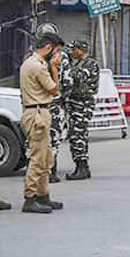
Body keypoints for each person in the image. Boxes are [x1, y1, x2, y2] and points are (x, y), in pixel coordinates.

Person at [19, 32, 65, 213]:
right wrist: (54, 68)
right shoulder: (37, 66)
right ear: (48, 48)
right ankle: (30, 198)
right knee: (38, 158)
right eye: (56, 51)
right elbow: (54, 90)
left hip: (39, 111)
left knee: (46, 157)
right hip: (37, 113)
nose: (57, 55)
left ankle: (43, 195)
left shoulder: (32, 62)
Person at [66, 41, 100, 181]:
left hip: (83, 104)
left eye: (74, 49)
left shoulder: (90, 64)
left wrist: (65, 67)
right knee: (75, 135)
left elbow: (77, 78)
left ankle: (82, 168)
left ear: (81, 50)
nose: (72, 52)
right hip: (76, 103)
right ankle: (81, 167)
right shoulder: (79, 63)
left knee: (78, 135)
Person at [46, 40, 73, 184]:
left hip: (37, 106)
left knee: (37, 140)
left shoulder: (32, 57)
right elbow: (68, 84)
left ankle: (39, 173)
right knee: (54, 138)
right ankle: (51, 172)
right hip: (55, 104)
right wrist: (61, 98)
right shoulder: (61, 57)